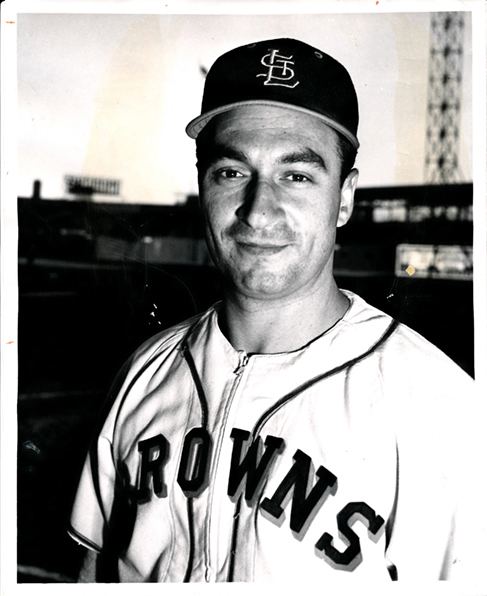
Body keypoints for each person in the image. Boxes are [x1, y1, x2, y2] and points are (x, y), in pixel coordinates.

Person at [68, 37, 485, 584]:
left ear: (345, 198)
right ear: (202, 187)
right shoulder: (144, 373)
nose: (259, 211)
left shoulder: (442, 410)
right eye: (231, 172)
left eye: (297, 175)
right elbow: (91, 574)